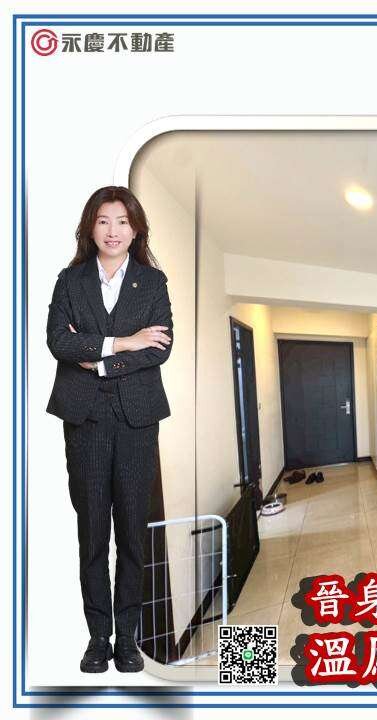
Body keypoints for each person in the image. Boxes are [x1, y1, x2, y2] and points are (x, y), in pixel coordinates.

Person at [46, 186, 173, 673]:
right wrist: (123, 342)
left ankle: (128, 638)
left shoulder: (152, 282)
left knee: (133, 535)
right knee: (93, 533)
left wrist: (98, 359)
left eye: (122, 221)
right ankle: (98, 637)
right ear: (90, 227)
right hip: (85, 421)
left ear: (136, 229)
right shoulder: (70, 280)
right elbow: (58, 342)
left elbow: (159, 347)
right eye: (103, 221)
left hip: (137, 421)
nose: (113, 230)